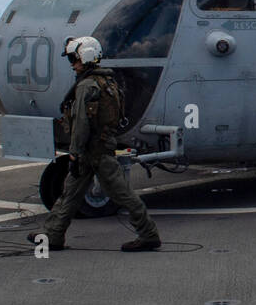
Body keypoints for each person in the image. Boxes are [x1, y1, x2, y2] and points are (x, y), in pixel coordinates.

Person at [28, 36, 161, 252]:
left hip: (95, 151)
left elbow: (81, 123)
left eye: (74, 57)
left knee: (122, 194)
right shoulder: (107, 82)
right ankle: (53, 235)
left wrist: (74, 153)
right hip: (96, 149)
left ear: (85, 56)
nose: (72, 63)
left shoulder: (87, 86)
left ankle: (148, 234)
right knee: (70, 193)